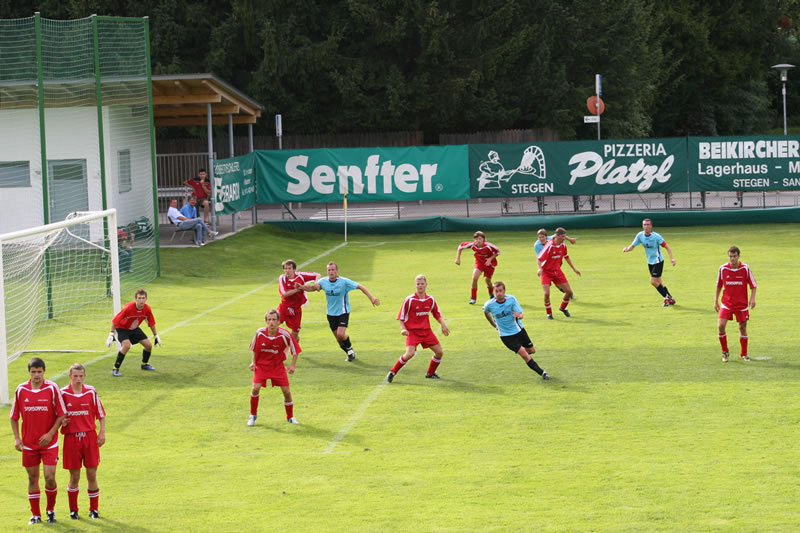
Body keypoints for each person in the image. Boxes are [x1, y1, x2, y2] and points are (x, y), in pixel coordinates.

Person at [9, 357, 67, 525]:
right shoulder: (21, 390)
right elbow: (13, 417)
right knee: (32, 477)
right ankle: (35, 514)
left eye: (39, 372)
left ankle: (51, 510)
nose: (36, 375)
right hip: (28, 444)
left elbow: (61, 413)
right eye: (33, 372)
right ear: (29, 372)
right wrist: (17, 438)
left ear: (44, 372)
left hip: (49, 443)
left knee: (50, 477)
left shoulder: (52, 388)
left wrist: (50, 434)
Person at [302, 262, 380, 362]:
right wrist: (300, 287)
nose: (331, 272)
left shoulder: (344, 281)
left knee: (340, 334)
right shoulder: (323, 281)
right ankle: (349, 352)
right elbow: (313, 288)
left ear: (337, 271)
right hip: (330, 314)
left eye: (333, 270)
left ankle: (350, 349)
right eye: (329, 270)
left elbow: (360, 286)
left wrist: (372, 298)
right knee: (339, 340)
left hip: (343, 312)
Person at [60, 364, 106, 520]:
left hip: (89, 437)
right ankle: (73, 510)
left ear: (84, 376)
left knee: (92, 474)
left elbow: (101, 414)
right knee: (74, 477)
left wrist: (102, 432)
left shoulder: (91, 392)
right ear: (70, 376)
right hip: (72, 439)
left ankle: (94, 509)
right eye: (75, 376)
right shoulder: (63, 393)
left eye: (81, 376)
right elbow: (57, 418)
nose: (78, 379)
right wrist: (63, 423)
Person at [386, 275, 450, 383]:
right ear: (415, 285)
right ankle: (392, 372)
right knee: (410, 353)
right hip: (412, 332)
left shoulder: (430, 299)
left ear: (426, 285)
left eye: (422, 284)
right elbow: (401, 317)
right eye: (418, 284)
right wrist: (403, 329)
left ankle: (430, 373)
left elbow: (436, 313)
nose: (420, 286)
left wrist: (443, 325)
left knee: (439, 352)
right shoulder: (409, 300)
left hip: (426, 331)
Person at [483, 282, 550, 380]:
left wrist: (520, 316)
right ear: (494, 292)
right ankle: (543, 373)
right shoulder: (490, 304)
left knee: (531, 351)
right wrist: (492, 323)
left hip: (519, 331)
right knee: (524, 354)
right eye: (496, 291)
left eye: (500, 291)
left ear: (504, 291)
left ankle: (522, 349)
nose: (499, 293)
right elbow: (485, 311)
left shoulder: (512, 299)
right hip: (506, 336)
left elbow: (521, 314)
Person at [248, 309, 301, 426]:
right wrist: (253, 362)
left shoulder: (285, 334)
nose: (271, 322)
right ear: (266, 321)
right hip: (262, 366)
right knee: (255, 389)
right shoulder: (260, 332)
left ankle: (290, 417)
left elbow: (295, 349)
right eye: (269, 319)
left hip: (278, 366)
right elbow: (254, 349)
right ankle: (252, 415)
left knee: (287, 392)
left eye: (274, 320)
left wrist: (292, 365)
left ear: (278, 322)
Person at [715, 246, 757, 363]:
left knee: (742, 328)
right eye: (730, 256)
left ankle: (744, 354)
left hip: (742, 304)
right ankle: (725, 352)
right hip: (727, 303)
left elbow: (753, 285)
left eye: (734, 256)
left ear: (739, 256)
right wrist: (716, 300)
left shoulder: (745, 268)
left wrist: (752, 299)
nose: (732, 258)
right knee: (720, 326)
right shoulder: (723, 268)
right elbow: (719, 285)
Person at [623, 218, 677, 306]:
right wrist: (627, 249)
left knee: (653, 281)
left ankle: (667, 298)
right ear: (642, 226)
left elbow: (667, 247)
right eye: (644, 225)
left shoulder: (656, 237)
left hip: (658, 261)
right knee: (659, 282)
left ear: (651, 226)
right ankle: (670, 298)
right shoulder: (640, 235)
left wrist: (672, 258)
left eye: (648, 225)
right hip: (650, 262)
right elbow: (633, 246)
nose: (646, 226)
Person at [108, 288, 161, 377]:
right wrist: (111, 334)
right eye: (139, 298)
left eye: (143, 298)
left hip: (134, 329)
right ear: (135, 299)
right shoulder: (128, 308)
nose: (141, 300)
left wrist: (156, 335)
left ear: (146, 299)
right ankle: (115, 369)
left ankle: (144, 364)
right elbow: (115, 320)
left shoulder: (147, 309)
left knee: (149, 346)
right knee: (126, 346)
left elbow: (151, 322)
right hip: (122, 328)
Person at [537, 227, 581, 319]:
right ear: (557, 236)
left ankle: (563, 308)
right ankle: (549, 314)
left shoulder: (563, 246)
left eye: (565, 237)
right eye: (562, 237)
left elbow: (566, 257)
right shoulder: (549, 246)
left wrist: (574, 269)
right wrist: (540, 269)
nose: (564, 238)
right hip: (546, 272)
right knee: (546, 294)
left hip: (557, 271)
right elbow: (539, 258)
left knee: (569, 292)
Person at [277, 259, 321, 341]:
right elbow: (284, 295)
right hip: (284, 307)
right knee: (274, 324)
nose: (287, 271)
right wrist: (298, 289)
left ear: (294, 269)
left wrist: (316, 283)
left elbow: (317, 275)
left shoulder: (301, 276)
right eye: (285, 268)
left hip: (296, 309)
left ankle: (294, 350)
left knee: (295, 336)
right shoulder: (282, 278)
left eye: (289, 268)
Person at [455, 230, 500, 304]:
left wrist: (490, 259)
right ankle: (473, 298)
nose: (478, 241)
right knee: (474, 278)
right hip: (479, 262)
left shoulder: (489, 246)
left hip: (489, 264)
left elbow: (498, 251)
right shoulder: (473, 244)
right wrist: (458, 258)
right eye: (476, 239)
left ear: (484, 240)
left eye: (480, 239)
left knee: (487, 281)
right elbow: (460, 246)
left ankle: (491, 294)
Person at [534, 228, 578, 299]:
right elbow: (540, 257)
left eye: (542, 237)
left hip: (556, 262)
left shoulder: (552, 239)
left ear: (546, 237)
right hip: (546, 265)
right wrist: (540, 268)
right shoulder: (537, 245)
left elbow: (562, 235)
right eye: (539, 237)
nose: (541, 239)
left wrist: (570, 239)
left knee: (558, 279)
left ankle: (569, 293)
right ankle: (567, 292)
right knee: (556, 283)